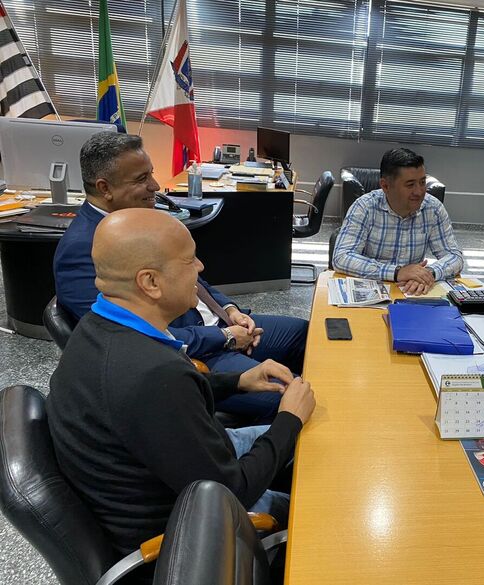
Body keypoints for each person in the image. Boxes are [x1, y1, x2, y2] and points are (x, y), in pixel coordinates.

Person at [47, 208, 316, 561]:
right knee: (321, 503)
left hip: (184, 466)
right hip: (192, 529)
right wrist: (289, 420)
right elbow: (233, 491)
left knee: (319, 436)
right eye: (189, 260)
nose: (200, 267)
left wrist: (238, 381)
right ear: (150, 282)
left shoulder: (99, 327)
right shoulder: (152, 374)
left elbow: (168, 402)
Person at [53, 131, 308, 419]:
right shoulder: (81, 250)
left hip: (220, 324)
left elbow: (192, 275)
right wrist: (224, 337)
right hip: (197, 354)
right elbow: (131, 337)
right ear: (104, 188)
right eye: (141, 179)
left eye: (151, 174)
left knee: (305, 335)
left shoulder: (138, 217)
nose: (155, 185)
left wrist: (230, 310)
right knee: (295, 398)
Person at [332, 148, 463, 295]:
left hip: (411, 292)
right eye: (410, 185)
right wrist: (397, 272)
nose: (419, 192)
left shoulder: (433, 208)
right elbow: (341, 257)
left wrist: (428, 273)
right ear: (385, 186)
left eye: (422, 182)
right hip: (370, 290)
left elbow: (454, 257)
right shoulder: (364, 207)